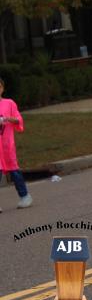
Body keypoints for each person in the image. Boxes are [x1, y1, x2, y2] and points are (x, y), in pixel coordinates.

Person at [0, 77, 32, 210]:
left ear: (2, 88)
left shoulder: (9, 103)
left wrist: (9, 119)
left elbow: (19, 120)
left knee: (14, 170)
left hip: (7, 144)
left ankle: (25, 196)